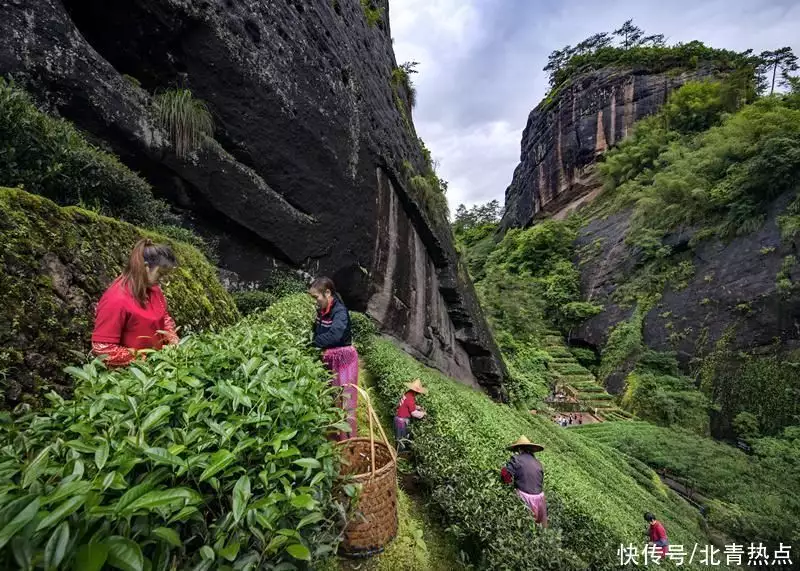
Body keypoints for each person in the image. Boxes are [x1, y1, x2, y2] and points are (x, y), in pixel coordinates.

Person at [92, 239, 179, 367]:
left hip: (156, 366)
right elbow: (102, 348)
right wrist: (144, 360)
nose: (163, 281)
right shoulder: (116, 299)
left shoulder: (154, 290)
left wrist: (172, 339)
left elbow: (163, 316)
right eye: (160, 274)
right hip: (129, 376)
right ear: (145, 267)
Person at [309, 276, 358, 441]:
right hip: (329, 358)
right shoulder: (322, 311)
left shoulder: (340, 312)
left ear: (327, 293)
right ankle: (333, 437)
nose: (316, 301)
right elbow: (318, 330)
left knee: (346, 400)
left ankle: (349, 440)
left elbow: (335, 335)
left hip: (344, 360)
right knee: (331, 397)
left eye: (316, 297)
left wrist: (312, 344)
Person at [500, 436, 548, 526]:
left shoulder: (516, 459)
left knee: (523, 524)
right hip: (540, 498)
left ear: (519, 449)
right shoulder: (538, 463)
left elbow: (506, 477)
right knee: (538, 527)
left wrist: (503, 471)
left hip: (525, 496)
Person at [394, 379, 427, 452]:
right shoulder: (410, 398)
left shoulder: (408, 393)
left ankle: (397, 452)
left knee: (399, 438)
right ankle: (398, 456)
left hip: (398, 418)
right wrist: (423, 414)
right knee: (401, 440)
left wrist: (418, 407)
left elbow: (408, 405)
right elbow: (413, 413)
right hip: (401, 420)